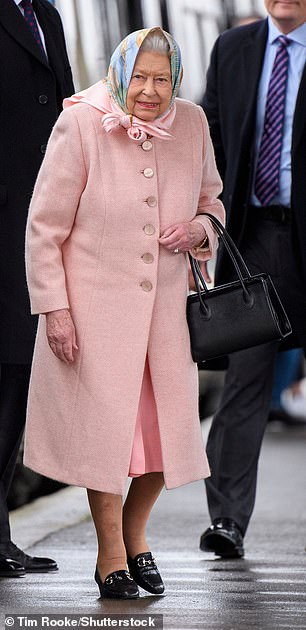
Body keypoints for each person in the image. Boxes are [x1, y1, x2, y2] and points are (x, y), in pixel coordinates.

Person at [23, 27, 225, 599]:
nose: (150, 91)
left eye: (162, 79)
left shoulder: (192, 123)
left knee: (166, 442)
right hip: (94, 316)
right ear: (121, 73)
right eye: (139, 77)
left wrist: (200, 230)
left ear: (176, 80)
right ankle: (111, 555)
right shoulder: (82, 121)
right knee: (106, 441)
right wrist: (54, 310)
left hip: (166, 318)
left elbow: (213, 202)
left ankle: (137, 538)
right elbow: (44, 229)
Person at [199, 0, 306, 559]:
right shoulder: (233, 49)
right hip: (255, 241)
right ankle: (227, 521)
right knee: (245, 382)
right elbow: (207, 139)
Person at [0, 0, 74, 578]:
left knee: (16, 380)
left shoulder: (46, 14)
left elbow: (65, 111)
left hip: (37, 226)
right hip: (4, 221)